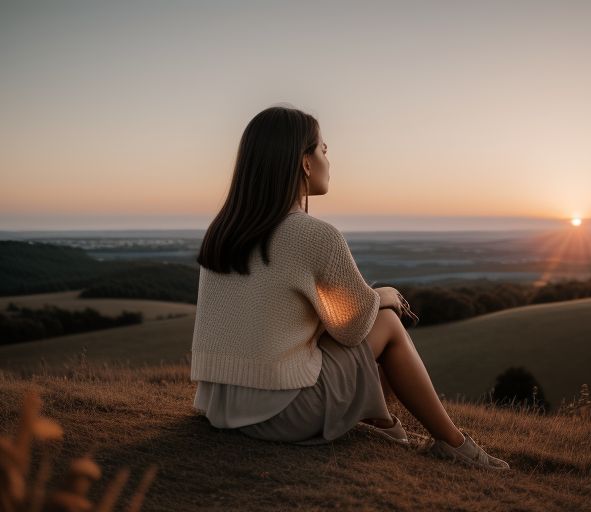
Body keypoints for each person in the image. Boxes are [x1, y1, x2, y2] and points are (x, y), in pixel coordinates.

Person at [190, 104, 509, 470]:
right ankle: (454, 444)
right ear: (305, 163)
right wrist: (382, 296)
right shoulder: (314, 234)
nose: (329, 159)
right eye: (323, 150)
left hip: (219, 408)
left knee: (370, 316)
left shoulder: (223, 231)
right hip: (279, 416)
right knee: (386, 321)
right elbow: (355, 327)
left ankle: (385, 425)